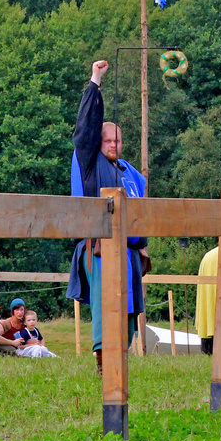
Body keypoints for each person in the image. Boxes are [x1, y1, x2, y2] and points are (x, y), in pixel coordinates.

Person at [65, 59, 147, 370]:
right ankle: (103, 360)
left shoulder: (131, 173)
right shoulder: (88, 162)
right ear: (98, 144)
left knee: (126, 308)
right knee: (105, 305)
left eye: (117, 140)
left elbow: (143, 210)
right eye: (108, 140)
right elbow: (85, 129)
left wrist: (143, 246)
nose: (113, 145)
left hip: (128, 251)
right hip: (98, 249)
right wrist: (95, 81)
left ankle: (121, 357)